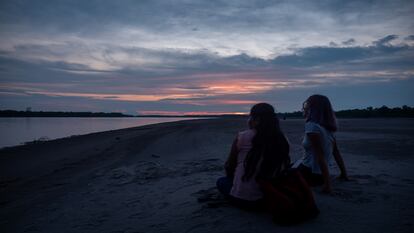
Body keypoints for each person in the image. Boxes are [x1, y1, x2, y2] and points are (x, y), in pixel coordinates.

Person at [216, 103, 290, 210]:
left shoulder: (243, 136)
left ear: (255, 119)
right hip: (271, 197)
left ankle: (240, 190)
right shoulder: (282, 139)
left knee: (221, 181)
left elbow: (229, 165)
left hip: (245, 200)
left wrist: (233, 178)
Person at [297, 94, 349, 194]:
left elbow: (320, 156)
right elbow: (336, 152)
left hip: (311, 174)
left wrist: (328, 186)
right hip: (320, 174)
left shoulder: (312, 126)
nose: (305, 106)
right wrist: (343, 174)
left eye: (308, 104)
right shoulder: (328, 127)